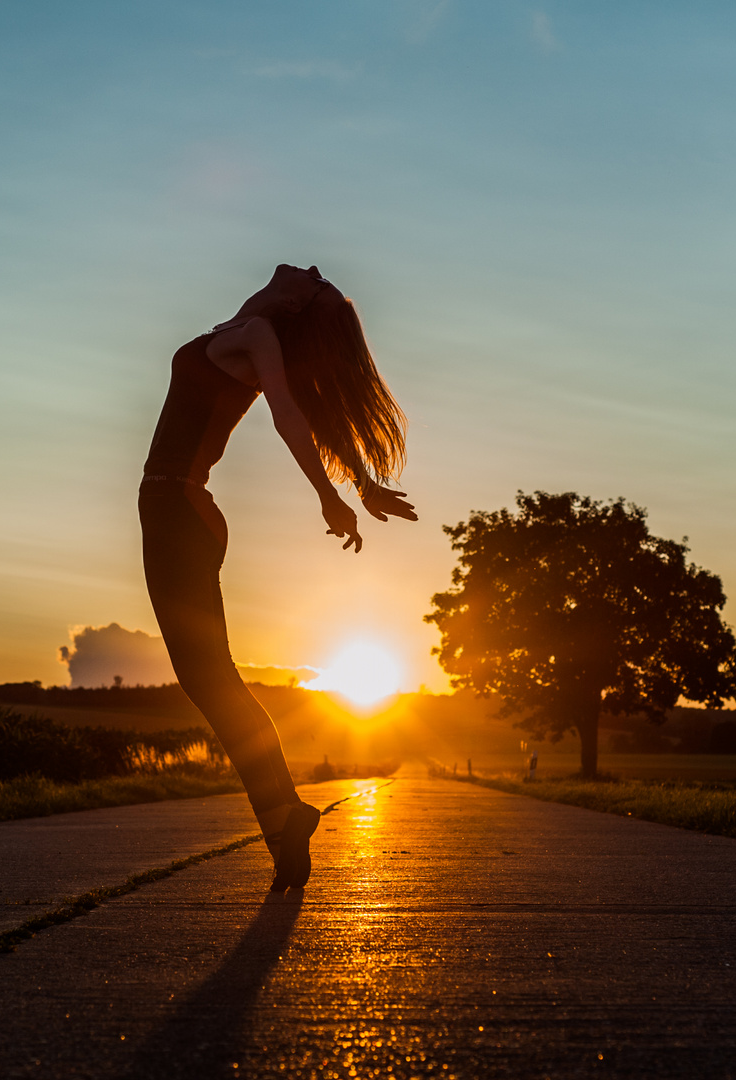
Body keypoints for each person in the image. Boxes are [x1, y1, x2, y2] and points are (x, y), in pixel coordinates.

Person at [139, 263, 415, 891]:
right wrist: (359, 481)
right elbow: (306, 406)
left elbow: (290, 413)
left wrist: (333, 493)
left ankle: (282, 810)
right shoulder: (251, 322)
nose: (315, 268)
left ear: (295, 305)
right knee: (209, 678)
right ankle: (280, 820)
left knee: (211, 677)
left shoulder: (259, 332)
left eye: (317, 283)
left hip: (179, 507)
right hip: (177, 510)